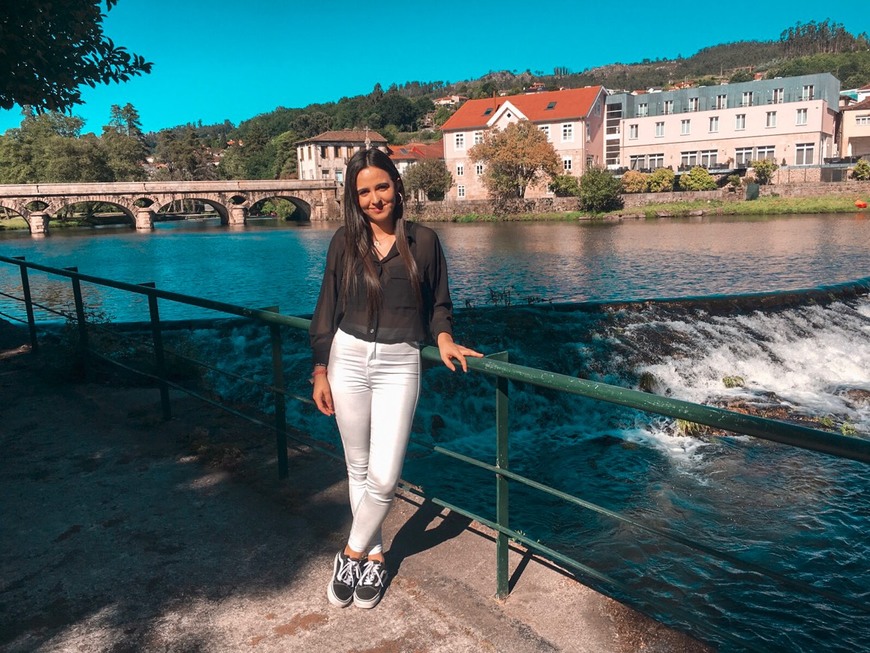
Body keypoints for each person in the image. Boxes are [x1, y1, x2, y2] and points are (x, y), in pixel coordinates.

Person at [309, 147, 482, 609]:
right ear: (354, 197)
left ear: (396, 185)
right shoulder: (344, 242)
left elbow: (439, 303)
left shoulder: (423, 241)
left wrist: (443, 337)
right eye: (363, 191)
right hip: (347, 357)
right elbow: (327, 307)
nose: (374, 199)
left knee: (385, 478)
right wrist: (320, 368)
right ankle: (377, 555)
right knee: (358, 468)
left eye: (380, 186)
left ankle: (349, 553)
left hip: (400, 361)